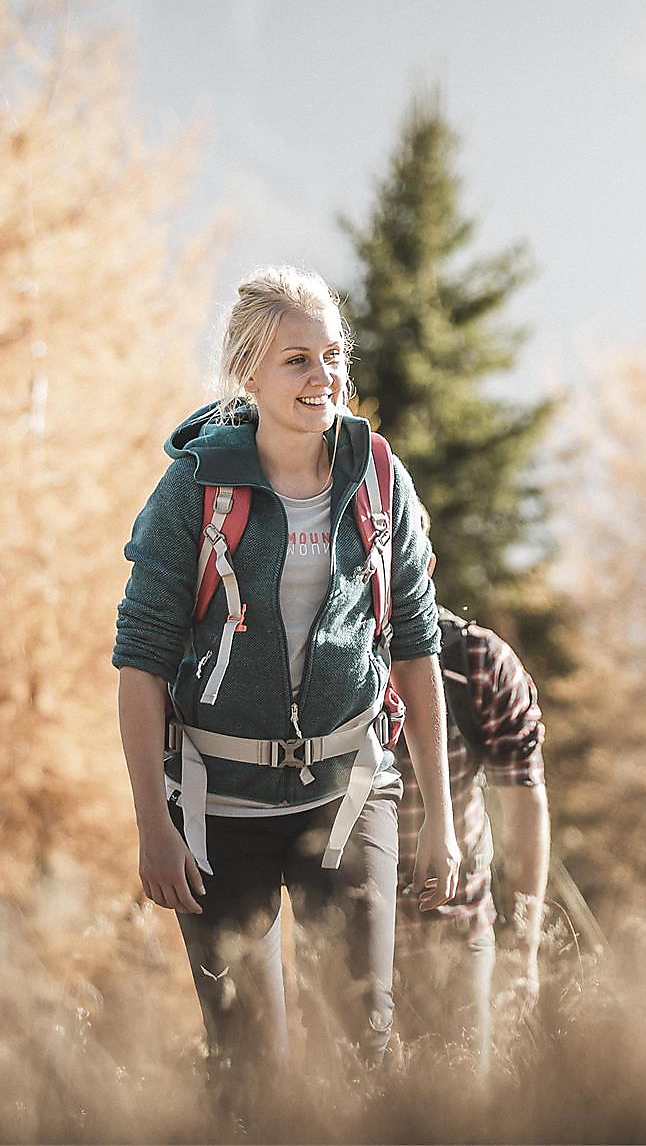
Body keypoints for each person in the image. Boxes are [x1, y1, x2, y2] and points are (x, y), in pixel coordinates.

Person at [113, 265, 460, 1111]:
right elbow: (141, 661)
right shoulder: (194, 490)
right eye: (297, 360)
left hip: (347, 792)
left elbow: (414, 645)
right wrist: (154, 830)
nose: (323, 377)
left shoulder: (379, 477)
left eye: (332, 355)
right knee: (247, 1068)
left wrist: (439, 821)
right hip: (217, 803)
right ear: (249, 375)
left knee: (360, 1044)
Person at [393, 580, 550, 1072]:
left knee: (458, 1105)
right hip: (343, 923)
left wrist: (522, 948)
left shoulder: (477, 661)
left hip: (456, 927)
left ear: (426, 562)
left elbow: (524, 805)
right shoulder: (318, 656)